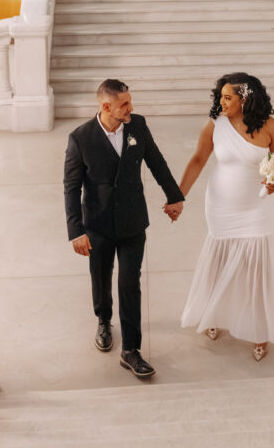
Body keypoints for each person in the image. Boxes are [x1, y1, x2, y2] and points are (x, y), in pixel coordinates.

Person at [63, 78, 184, 380]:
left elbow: (156, 161)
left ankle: (131, 350)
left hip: (132, 222)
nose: (131, 108)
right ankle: (104, 320)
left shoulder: (137, 126)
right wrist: (76, 230)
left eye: (130, 102)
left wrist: (175, 196)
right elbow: (71, 187)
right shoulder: (80, 138)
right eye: (124, 104)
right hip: (98, 225)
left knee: (130, 283)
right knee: (101, 277)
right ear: (106, 107)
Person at [171, 72, 274, 361]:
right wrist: (178, 197)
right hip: (221, 206)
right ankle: (213, 314)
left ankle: (261, 330)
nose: (221, 102)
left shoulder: (270, 127)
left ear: (245, 99)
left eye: (228, 97)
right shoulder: (215, 126)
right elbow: (199, 160)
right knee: (221, 260)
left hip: (258, 208)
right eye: (221, 96)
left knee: (256, 267)